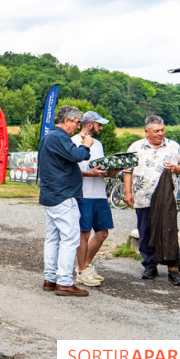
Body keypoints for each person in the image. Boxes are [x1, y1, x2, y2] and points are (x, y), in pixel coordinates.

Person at [124, 115, 180, 286]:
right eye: (156, 131)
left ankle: (173, 269)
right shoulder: (136, 147)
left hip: (167, 200)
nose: (161, 134)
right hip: (142, 197)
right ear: (146, 131)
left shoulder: (173, 146)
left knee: (169, 232)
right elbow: (128, 171)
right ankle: (150, 266)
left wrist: (176, 168)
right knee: (145, 232)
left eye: (162, 130)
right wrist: (127, 193)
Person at [38, 106, 93, 297]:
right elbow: (77, 155)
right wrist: (87, 145)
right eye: (77, 122)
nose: (78, 127)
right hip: (63, 195)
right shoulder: (59, 137)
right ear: (67, 121)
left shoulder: (49, 137)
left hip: (51, 194)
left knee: (53, 238)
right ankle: (64, 282)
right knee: (70, 238)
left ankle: (50, 278)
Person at [70, 111, 115, 287]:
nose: (101, 128)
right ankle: (81, 270)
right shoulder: (73, 141)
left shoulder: (98, 144)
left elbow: (98, 165)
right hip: (83, 193)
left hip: (100, 193)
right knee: (84, 232)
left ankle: (86, 265)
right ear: (89, 125)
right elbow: (72, 170)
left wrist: (111, 172)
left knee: (103, 231)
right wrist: (90, 173)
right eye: (99, 125)